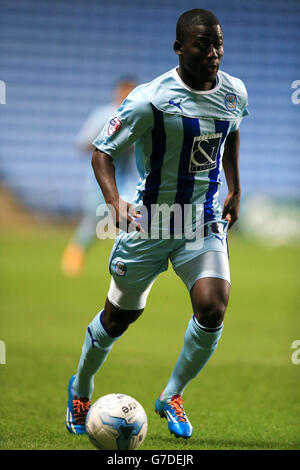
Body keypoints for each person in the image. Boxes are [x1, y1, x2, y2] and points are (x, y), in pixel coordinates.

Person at [66, 8, 248, 439]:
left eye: (218, 42)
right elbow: (101, 151)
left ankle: (172, 394)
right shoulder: (151, 99)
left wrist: (235, 188)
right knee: (117, 319)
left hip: (201, 221)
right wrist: (114, 202)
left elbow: (232, 132)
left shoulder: (235, 92)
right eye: (203, 44)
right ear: (179, 48)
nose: (213, 52)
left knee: (213, 306)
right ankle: (82, 387)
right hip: (151, 222)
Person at [61, 79, 139, 277]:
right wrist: (105, 140)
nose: (127, 95)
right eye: (125, 90)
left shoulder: (140, 116)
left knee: (133, 220)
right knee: (94, 223)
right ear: (117, 92)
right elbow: (83, 144)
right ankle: (74, 255)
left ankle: (127, 264)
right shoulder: (104, 115)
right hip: (101, 181)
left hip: (127, 181)